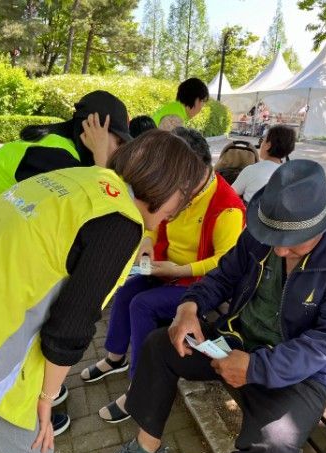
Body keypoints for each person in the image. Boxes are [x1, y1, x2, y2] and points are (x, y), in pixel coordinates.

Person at [0, 129, 207, 453]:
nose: (182, 208)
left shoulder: (81, 179)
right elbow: (69, 328)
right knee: (34, 447)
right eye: (183, 196)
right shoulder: (119, 224)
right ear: (165, 185)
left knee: (4, 450)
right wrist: (47, 398)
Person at [91, 159, 326, 453]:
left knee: (274, 446)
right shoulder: (261, 231)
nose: (280, 251)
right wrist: (189, 306)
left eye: (293, 244)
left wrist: (256, 367)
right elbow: (223, 276)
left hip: (301, 374)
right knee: (160, 344)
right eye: (274, 240)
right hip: (236, 341)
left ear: (322, 226)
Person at [81, 128, 245, 423]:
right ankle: (115, 357)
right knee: (128, 289)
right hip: (167, 271)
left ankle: (139, 388)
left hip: (201, 285)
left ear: (195, 169)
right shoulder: (179, 189)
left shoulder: (227, 207)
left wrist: (179, 269)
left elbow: (226, 264)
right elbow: (155, 223)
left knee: (142, 304)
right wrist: (147, 242)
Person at [0, 90, 131, 246]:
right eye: (119, 142)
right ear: (93, 129)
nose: (120, 152)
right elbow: (101, 220)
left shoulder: (54, 146)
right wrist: (101, 157)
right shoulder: (52, 156)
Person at [232, 124, 296, 204]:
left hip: (251, 211)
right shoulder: (291, 176)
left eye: (263, 140)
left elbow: (231, 194)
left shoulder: (251, 170)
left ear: (268, 145)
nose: (261, 143)